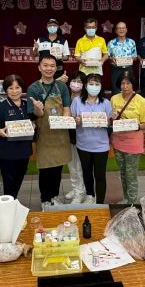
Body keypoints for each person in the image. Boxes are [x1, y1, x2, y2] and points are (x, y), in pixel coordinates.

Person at [27, 54, 72, 204]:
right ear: (39, 67)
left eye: (52, 66)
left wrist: (64, 122)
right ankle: (45, 199)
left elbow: (66, 107)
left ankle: (54, 197)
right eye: (45, 65)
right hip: (45, 134)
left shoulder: (61, 86)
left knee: (58, 169)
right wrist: (38, 108)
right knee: (45, 170)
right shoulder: (33, 88)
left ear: (56, 68)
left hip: (60, 134)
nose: (49, 68)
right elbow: (36, 115)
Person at [71, 74, 112, 204]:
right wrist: (76, 120)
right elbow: (72, 120)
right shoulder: (77, 101)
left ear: (101, 86)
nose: (94, 86)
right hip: (83, 144)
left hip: (101, 145)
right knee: (86, 172)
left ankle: (100, 202)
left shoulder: (105, 102)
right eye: (91, 84)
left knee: (100, 175)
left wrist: (107, 121)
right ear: (85, 85)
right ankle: (90, 195)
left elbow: (110, 122)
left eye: (97, 84)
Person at [0, 74, 33, 199]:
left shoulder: (28, 105)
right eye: (11, 88)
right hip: (8, 152)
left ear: (22, 88)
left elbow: (34, 121)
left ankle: (13, 202)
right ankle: (9, 204)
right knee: (9, 183)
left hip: (24, 150)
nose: (14, 91)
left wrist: (33, 125)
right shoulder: (0, 107)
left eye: (17, 87)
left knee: (19, 179)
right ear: (6, 90)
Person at [110, 71, 145, 204]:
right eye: (122, 83)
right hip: (118, 140)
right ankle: (125, 198)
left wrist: (135, 126)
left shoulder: (141, 101)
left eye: (128, 83)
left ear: (133, 85)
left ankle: (132, 203)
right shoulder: (114, 99)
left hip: (133, 142)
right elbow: (110, 120)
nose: (125, 86)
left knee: (131, 174)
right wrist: (112, 118)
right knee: (122, 173)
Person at [63, 71, 87, 203]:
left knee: (79, 165)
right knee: (71, 164)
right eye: (74, 80)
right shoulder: (64, 95)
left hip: (82, 136)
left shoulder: (86, 99)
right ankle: (75, 187)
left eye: (79, 81)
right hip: (67, 135)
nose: (76, 84)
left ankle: (81, 191)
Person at [32, 18, 70, 82]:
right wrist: (35, 49)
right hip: (44, 70)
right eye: (50, 25)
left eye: (54, 26)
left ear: (58, 27)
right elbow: (35, 54)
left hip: (58, 71)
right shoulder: (40, 40)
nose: (52, 27)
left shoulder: (63, 41)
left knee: (58, 87)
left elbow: (66, 57)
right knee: (43, 87)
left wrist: (61, 57)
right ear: (47, 27)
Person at [107, 21, 137, 95]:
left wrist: (131, 59)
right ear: (116, 31)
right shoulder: (111, 43)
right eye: (119, 28)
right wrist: (111, 59)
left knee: (128, 90)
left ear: (126, 30)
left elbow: (135, 57)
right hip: (116, 70)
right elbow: (108, 58)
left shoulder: (131, 42)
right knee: (116, 90)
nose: (121, 30)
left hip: (128, 69)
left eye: (123, 28)